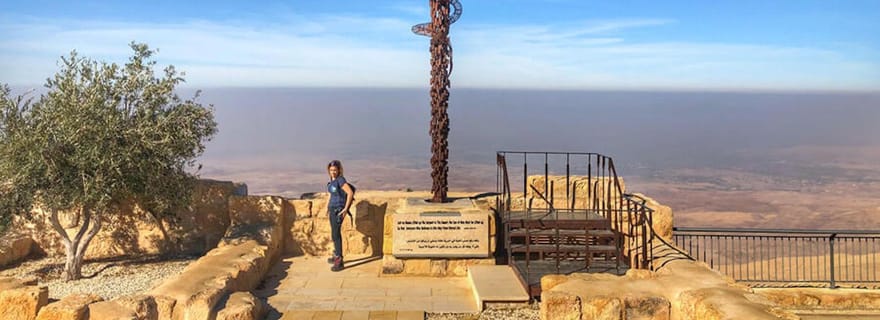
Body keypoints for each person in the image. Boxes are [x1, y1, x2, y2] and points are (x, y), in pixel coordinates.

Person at [326, 160, 353, 272]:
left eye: (335, 170)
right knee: (334, 233)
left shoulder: (341, 180)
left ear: (339, 170)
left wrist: (346, 209)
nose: (333, 172)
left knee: (336, 234)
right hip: (332, 209)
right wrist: (326, 208)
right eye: (331, 170)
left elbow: (350, 193)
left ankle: (339, 260)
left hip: (338, 210)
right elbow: (330, 195)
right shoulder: (332, 181)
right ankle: (336, 254)